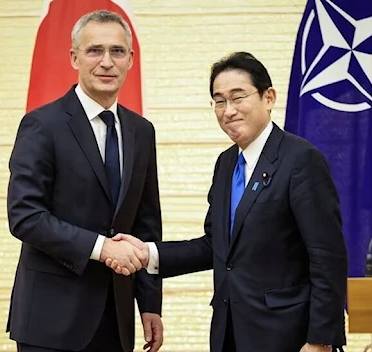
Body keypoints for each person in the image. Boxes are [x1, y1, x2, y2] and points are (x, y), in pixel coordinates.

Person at [108, 52, 348, 352]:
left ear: (268, 97)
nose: (228, 110)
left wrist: (320, 339)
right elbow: (215, 246)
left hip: (289, 336)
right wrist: (148, 255)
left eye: (238, 97)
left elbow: (328, 256)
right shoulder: (226, 164)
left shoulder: (300, 159)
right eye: (219, 101)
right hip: (230, 333)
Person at [6, 10, 163, 352]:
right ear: (74, 58)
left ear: (130, 60)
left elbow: (146, 224)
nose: (106, 62)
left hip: (116, 320)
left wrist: (150, 303)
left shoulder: (142, 131)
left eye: (117, 51)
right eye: (95, 51)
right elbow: (25, 216)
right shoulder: (41, 125)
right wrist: (102, 248)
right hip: (51, 321)